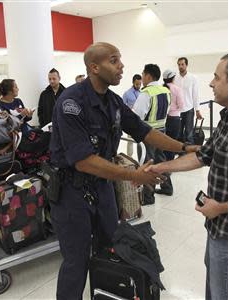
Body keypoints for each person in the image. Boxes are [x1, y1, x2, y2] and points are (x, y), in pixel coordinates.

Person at [49, 42, 197, 300]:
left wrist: (185, 147)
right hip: (71, 192)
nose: (122, 66)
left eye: (120, 60)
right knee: (76, 262)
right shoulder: (71, 102)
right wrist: (135, 175)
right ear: (94, 67)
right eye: (114, 60)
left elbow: (145, 131)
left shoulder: (113, 101)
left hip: (102, 189)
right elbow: (83, 161)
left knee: (111, 249)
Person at [147, 52, 228, 299]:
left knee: (226, 294)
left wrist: (219, 208)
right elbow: (203, 156)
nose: (211, 83)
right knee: (216, 289)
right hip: (219, 227)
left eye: (216, 77)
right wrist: (161, 167)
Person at [133, 64, 173, 199]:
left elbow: (137, 116)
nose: (142, 78)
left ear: (148, 76)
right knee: (161, 161)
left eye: (143, 75)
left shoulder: (146, 93)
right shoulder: (165, 90)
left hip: (148, 133)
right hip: (162, 130)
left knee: (147, 164)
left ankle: (148, 196)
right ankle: (167, 187)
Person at [175, 57, 203, 144]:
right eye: (179, 65)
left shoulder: (193, 78)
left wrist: (197, 110)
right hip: (178, 110)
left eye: (182, 64)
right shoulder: (175, 78)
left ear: (186, 65)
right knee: (178, 134)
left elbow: (195, 94)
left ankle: (190, 154)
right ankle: (179, 153)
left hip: (189, 110)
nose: (180, 66)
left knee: (189, 134)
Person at [162, 69, 184, 161]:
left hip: (164, 119)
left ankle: (162, 162)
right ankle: (169, 165)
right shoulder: (177, 89)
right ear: (173, 78)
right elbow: (181, 105)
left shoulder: (161, 88)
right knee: (172, 143)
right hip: (174, 119)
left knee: (163, 142)